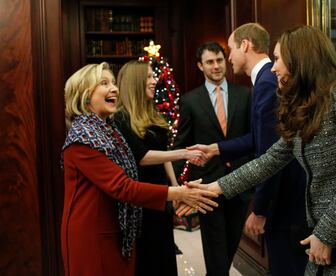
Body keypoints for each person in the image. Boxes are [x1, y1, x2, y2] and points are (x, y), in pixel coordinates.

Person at [188, 26, 336, 275]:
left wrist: (326, 234)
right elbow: (270, 160)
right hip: (325, 234)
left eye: (277, 59)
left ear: (301, 58)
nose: (273, 67)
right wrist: (215, 188)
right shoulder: (306, 107)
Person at [61, 62, 218, 276]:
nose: (115, 89)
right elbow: (123, 187)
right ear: (85, 95)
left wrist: (175, 189)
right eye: (104, 83)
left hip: (117, 229)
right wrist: (179, 193)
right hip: (94, 236)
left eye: (114, 83)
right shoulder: (83, 139)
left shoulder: (109, 129)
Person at [189, 23, 307, 275]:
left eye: (230, 49)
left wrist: (261, 209)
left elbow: (270, 154)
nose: (229, 57)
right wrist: (216, 148)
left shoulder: (265, 82)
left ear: (245, 45)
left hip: (284, 202)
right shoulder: (264, 80)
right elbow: (258, 138)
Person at [114, 60, 204, 276]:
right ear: (135, 82)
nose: (155, 80)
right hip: (140, 199)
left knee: (163, 253)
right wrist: (184, 153)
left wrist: (175, 189)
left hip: (162, 196)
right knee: (148, 256)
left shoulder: (152, 112)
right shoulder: (120, 117)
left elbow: (163, 157)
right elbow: (143, 157)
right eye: (149, 77)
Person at [172, 41, 251, 276]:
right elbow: (181, 146)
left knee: (232, 239)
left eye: (219, 60)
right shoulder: (190, 100)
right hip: (207, 184)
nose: (216, 66)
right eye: (209, 62)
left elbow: (252, 138)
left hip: (240, 180)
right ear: (200, 66)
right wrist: (176, 187)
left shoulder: (245, 95)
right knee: (214, 244)